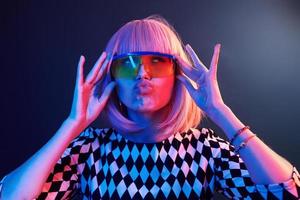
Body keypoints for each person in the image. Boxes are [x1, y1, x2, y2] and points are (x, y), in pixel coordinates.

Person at [0, 15, 299, 200]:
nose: (142, 74)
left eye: (157, 61)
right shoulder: (90, 149)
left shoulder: (205, 149)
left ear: (178, 74)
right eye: (127, 65)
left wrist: (221, 112)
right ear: (112, 77)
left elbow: (288, 194)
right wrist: (71, 126)